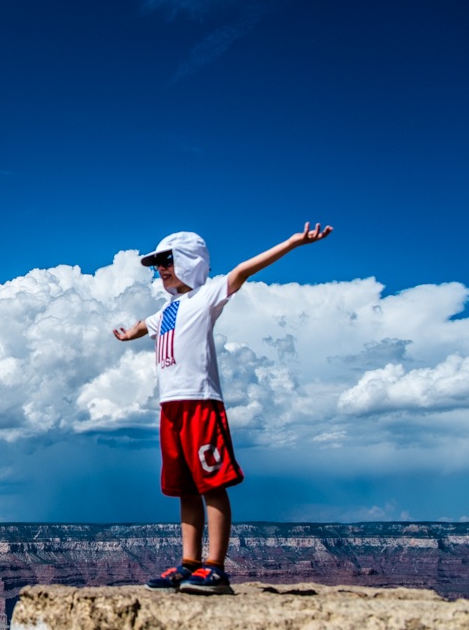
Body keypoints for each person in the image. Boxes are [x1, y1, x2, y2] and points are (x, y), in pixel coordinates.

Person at [113, 222, 333, 594]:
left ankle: (215, 567)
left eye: (166, 260)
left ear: (188, 260)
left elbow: (244, 270)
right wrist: (128, 333)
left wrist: (293, 243)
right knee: (185, 488)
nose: (161, 269)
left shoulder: (208, 295)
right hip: (170, 408)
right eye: (157, 263)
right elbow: (142, 326)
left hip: (201, 403)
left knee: (211, 483)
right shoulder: (165, 310)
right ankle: (189, 564)